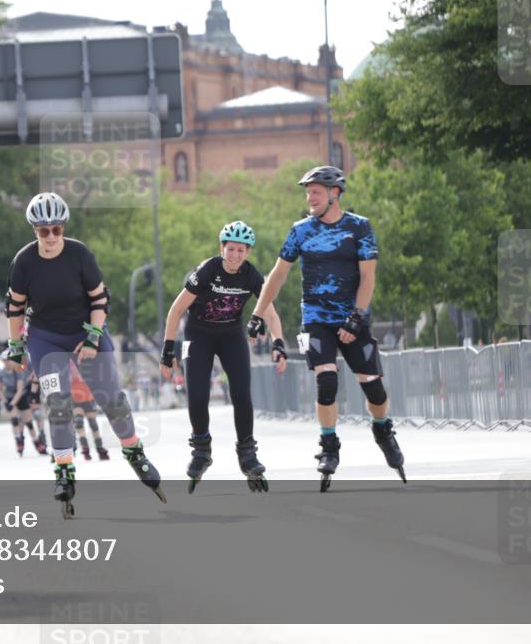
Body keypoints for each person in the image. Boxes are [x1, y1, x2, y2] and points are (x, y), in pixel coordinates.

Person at [5, 192, 165, 518]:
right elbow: (15, 307)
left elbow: (100, 300)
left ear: (63, 227)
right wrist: (16, 346)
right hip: (46, 337)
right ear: (34, 230)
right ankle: (64, 470)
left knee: (111, 398)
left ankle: (134, 451)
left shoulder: (79, 254)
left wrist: (93, 338)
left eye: (56, 230)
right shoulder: (24, 261)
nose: (50, 237)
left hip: (84, 329)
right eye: (43, 231)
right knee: (59, 403)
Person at [251, 165, 406, 492]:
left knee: (373, 388)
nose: (310, 197)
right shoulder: (300, 231)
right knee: (326, 381)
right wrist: (257, 313)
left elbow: (368, 278)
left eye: (316, 191)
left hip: (353, 318)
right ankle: (328, 445)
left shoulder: (359, 228)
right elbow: (277, 275)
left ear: (335, 194)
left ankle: (382, 429)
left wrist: (356, 318)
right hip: (316, 320)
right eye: (307, 192)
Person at [160, 220, 287, 493]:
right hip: (197, 335)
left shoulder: (252, 275)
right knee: (196, 395)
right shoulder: (208, 270)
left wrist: (279, 343)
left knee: (241, 393)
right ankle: (201, 450)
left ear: (248, 252)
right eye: (231, 250)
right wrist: (167, 349)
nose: (235, 256)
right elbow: (175, 309)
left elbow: (271, 313)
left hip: (231, 335)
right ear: (222, 248)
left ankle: (247, 453)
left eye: (241, 251)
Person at [0, 355, 47, 456]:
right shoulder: (1, 374)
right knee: (14, 420)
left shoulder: (18, 371)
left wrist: (12, 404)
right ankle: (19, 439)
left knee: (28, 422)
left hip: (21, 397)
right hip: (10, 398)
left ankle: (36, 441)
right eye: (5, 361)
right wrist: (5, 401)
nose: (7, 363)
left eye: (9, 360)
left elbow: (20, 390)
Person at [69, 361, 109, 461]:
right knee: (78, 422)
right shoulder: (70, 368)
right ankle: (85, 448)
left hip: (88, 399)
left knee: (93, 425)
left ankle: (100, 449)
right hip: (76, 400)